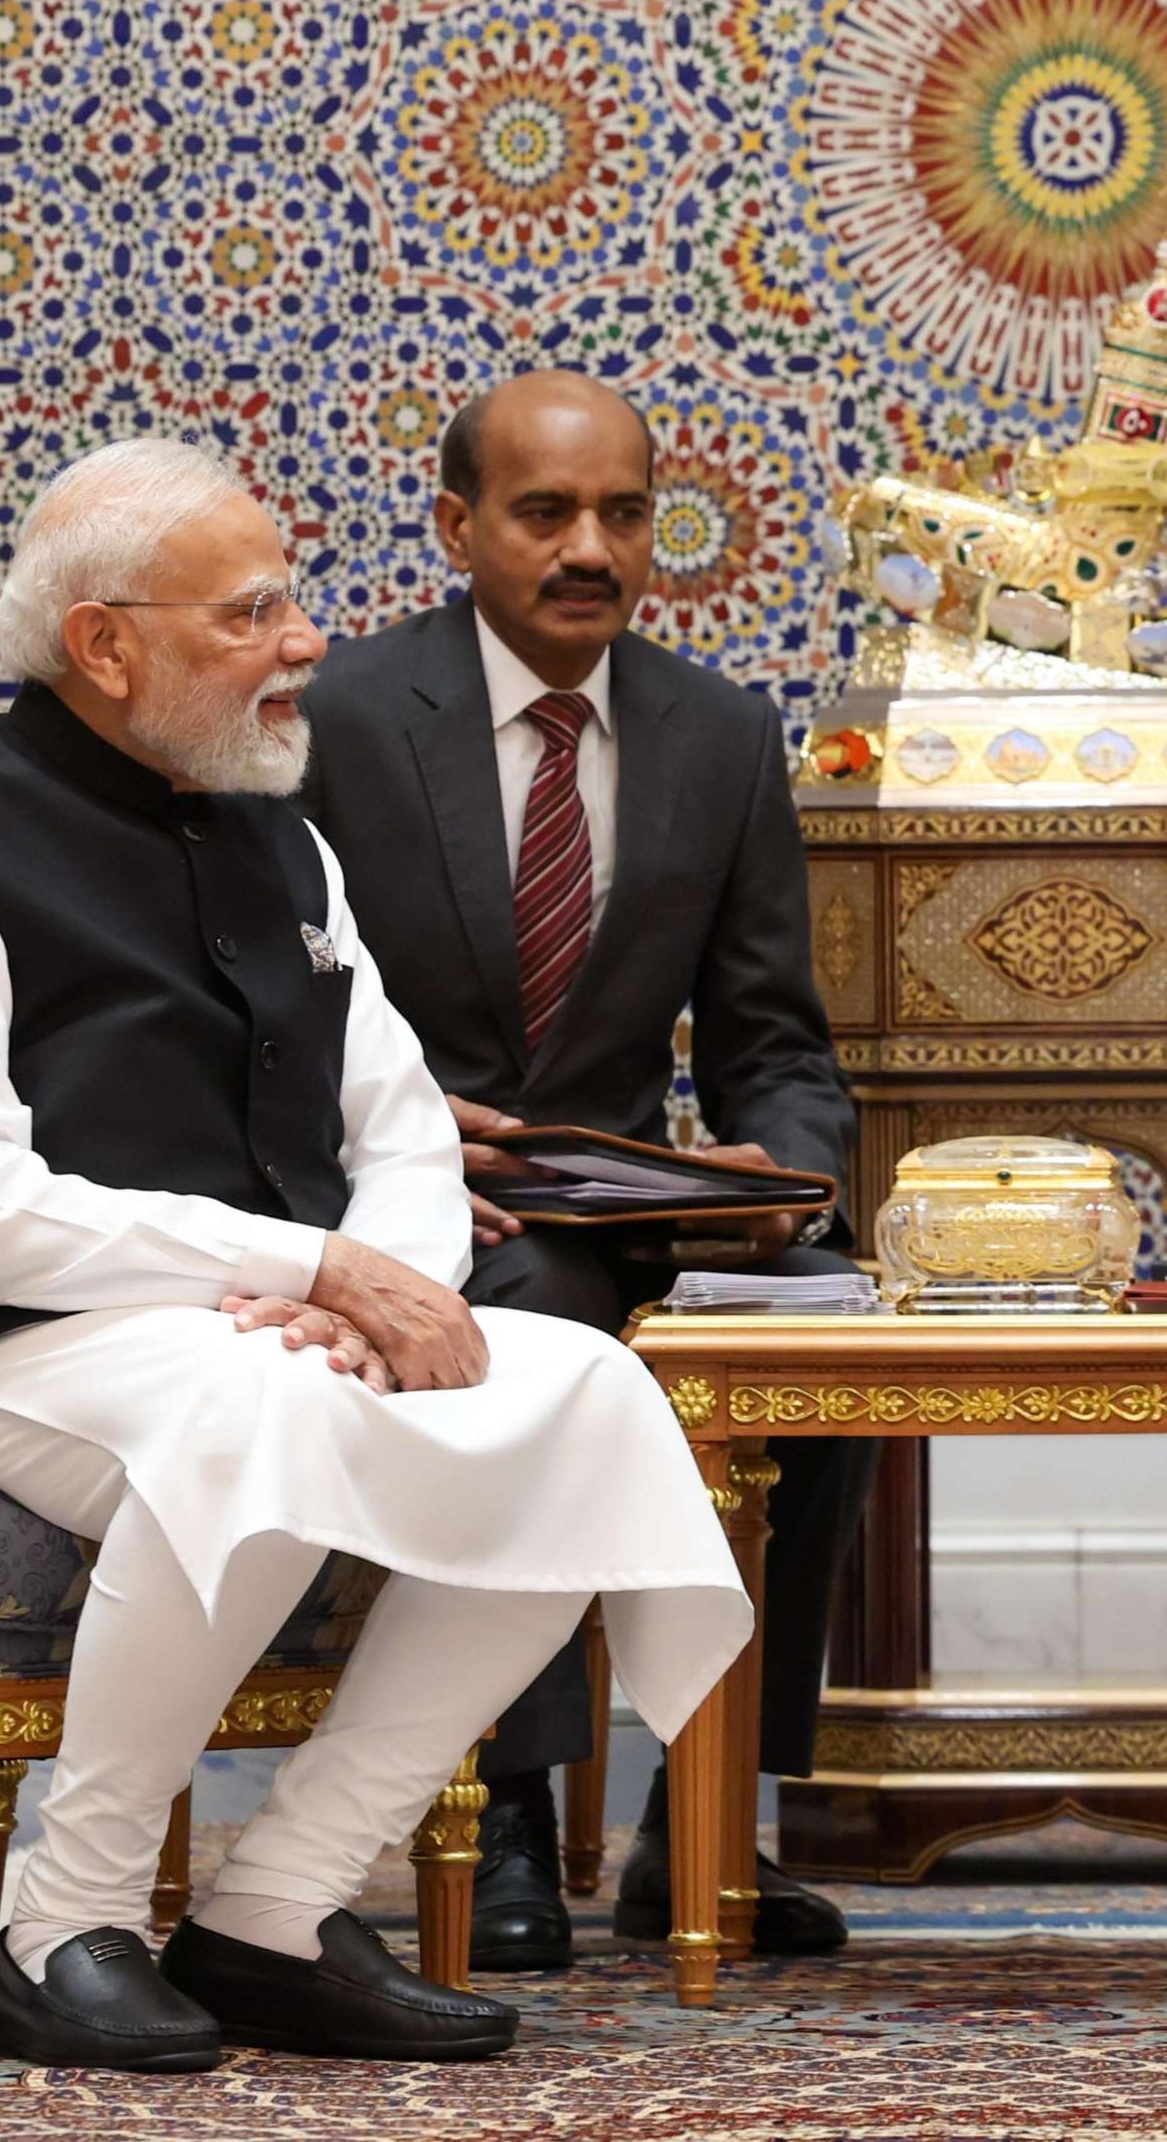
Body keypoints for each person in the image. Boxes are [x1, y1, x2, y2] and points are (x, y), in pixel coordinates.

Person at [0, 439, 748, 2073]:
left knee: (584, 1394)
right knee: (255, 1402)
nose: (305, 641)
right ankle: (63, 1922)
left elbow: (401, 1124)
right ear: (105, 644)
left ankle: (281, 1902)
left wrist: (381, 1297)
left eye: (292, 602)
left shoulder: (281, 834)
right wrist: (313, 1274)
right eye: (253, 611)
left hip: (240, 1334)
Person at [301, 371, 864, 1971]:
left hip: (640, 1202)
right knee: (533, 1312)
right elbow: (262, 1006)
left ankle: (711, 1809)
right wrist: (394, 1143)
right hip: (426, 1205)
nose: (590, 550)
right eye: (545, 513)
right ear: (457, 525)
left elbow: (775, 1039)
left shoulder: (720, 734)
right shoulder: (340, 718)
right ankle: (509, 1812)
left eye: (624, 513)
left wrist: (781, 1178)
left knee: (828, 1320)